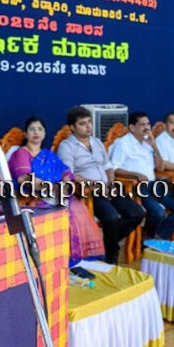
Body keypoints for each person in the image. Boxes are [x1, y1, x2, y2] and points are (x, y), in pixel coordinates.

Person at [9, 117, 105, 262]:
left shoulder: (48, 155)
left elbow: (66, 172)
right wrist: (53, 188)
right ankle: (56, 258)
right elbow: (24, 179)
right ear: (26, 134)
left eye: (40, 129)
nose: (36, 132)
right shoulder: (21, 153)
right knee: (66, 213)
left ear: (45, 133)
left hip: (58, 195)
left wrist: (65, 185)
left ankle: (69, 256)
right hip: (34, 200)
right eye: (32, 129)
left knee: (76, 211)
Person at [57, 106, 144, 264]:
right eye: (83, 123)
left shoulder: (97, 142)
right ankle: (112, 255)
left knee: (137, 213)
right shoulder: (66, 146)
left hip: (108, 188)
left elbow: (108, 166)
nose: (88, 126)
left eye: (89, 122)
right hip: (89, 192)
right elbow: (69, 174)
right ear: (72, 127)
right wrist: (95, 184)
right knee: (111, 217)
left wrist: (110, 183)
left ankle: (104, 244)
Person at [109, 112, 174, 240]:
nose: (147, 127)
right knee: (158, 213)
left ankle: (156, 237)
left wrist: (154, 146)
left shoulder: (148, 143)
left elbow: (160, 167)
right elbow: (114, 168)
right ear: (132, 127)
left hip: (154, 185)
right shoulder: (123, 143)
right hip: (137, 187)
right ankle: (147, 237)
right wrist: (134, 174)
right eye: (142, 125)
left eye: (148, 124)